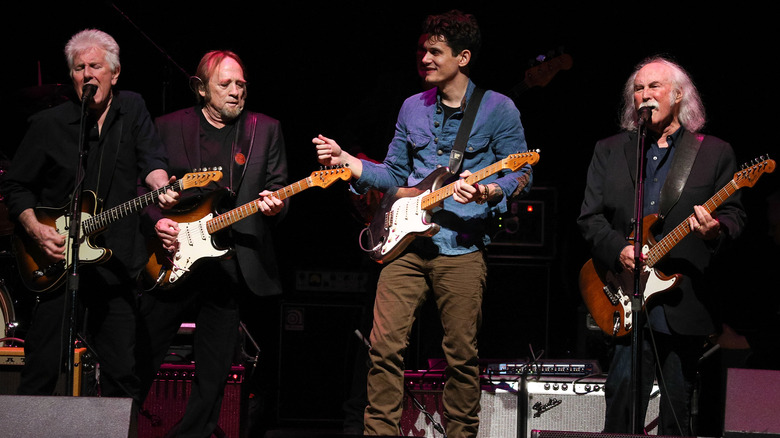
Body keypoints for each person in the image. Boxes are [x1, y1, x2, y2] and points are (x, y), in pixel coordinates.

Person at [313, 10, 532, 437]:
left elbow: (520, 172)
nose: (426, 58)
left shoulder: (498, 109)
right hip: (405, 247)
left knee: (461, 356)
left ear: (463, 57)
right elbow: (395, 174)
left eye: (436, 51)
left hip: (463, 246)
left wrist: (488, 191)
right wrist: (350, 164)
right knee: (383, 347)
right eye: (422, 50)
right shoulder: (411, 107)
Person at [1, 29, 176, 400]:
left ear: (114, 72)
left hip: (116, 261)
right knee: (42, 367)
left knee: (120, 371)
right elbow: (15, 186)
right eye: (79, 67)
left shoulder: (133, 109)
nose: (87, 74)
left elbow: (152, 160)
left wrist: (163, 187)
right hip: (57, 260)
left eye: (96, 65)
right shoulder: (48, 125)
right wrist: (35, 229)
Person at [577, 55, 746, 435]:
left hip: (682, 304)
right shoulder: (610, 150)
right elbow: (590, 217)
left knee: (676, 409)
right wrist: (619, 248)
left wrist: (714, 229)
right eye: (638, 89)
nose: (644, 95)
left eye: (654, 87)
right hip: (625, 296)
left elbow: (735, 216)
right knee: (620, 408)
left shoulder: (713, 153)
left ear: (679, 95)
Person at [135, 50, 288, 438]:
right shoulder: (167, 126)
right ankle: (117, 427)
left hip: (229, 264)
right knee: (141, 358)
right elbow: (141, 189)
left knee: (215, 372)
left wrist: (276, 207)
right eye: (225, 84)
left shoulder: (264, 128)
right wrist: (159, 223)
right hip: (172, 258)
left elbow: (278, 191)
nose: (236, 91)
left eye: (241, 84)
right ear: (201, 88)